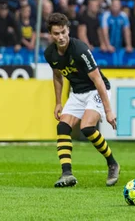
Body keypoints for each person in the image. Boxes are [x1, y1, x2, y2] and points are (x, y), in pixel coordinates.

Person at [44, 13, 120, 188]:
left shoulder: (80, 49)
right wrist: (58, 102)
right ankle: (67, 174)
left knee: (86, 127)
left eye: (63, 32)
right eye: (56, 34)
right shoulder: (50, 53)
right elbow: (57, 76)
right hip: (77, 93)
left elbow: (98, 80)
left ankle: (112, 163)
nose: (61, 37)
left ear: (68, 30)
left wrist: (108, 111)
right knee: (62, 126)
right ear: (51, 34)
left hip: (96, 90)